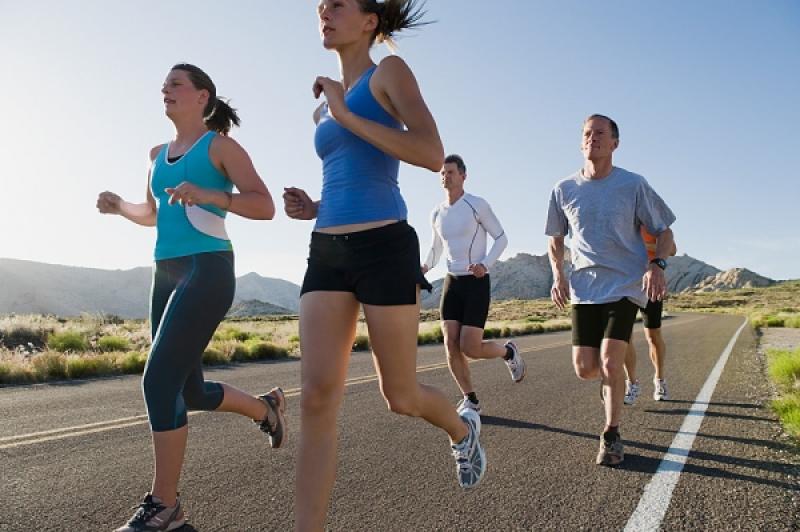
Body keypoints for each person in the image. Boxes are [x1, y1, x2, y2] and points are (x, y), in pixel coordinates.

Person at [283, 1, 485, 529]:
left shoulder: (387, 74)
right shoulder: (325, 102)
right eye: (320, 7)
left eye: (338, 5)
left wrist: (346, 113)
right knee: (316, 398)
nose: (324, 12)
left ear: (370, 21)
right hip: (327, 248)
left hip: (385, 247)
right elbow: (352, 174)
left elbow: (430, 150)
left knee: (399, 395)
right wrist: (315, 208)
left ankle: (463, 431)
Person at [97, 63, 285, 532]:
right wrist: (120, 206)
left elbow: (264, 205)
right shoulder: (156, 153)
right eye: (164, 85)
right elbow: (153, 213)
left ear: (203, 97)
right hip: (167, 272)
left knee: (157, 381)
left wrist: (209, 194)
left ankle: (166, 506)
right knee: (189, 390)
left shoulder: (220, 146)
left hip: (208, 268)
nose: (166, 90)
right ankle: (266, 409)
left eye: (176, 84)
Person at [545, 114, 675, 466]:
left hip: (625, 285)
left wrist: (656, 265)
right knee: (586, 368)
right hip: (585, 288)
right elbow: (556, 239)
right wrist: (558, 275)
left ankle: (611, 433)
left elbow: (665, 232)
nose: (593, 138)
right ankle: (613, 392)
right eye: (587, 133)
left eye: (600, 133)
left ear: (615, 143)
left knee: (609, 361)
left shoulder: (633, 185)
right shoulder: (563, 189)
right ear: (580, 142)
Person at [422, 154, 525, 414]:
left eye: (451, 172)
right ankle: (471, 400)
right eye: (442, 173)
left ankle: (508, 353)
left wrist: (485, 265)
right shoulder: (436, 212)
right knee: (450, 343)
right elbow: (436, 249)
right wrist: (423, 267)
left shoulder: (476, 204)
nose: (446, 177)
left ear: (463, 176)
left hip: (477, 281)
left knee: (470, 347)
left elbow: (501, 238)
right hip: (452, 281)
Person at [623, 228, 677, 405]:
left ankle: (660, 380)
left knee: (653, 336)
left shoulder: (652, 222)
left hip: (650, 282)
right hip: (625, 283)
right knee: (623, 337)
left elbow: (672, 249)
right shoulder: (621, 217)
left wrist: (638, 245)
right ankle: (631, 383)